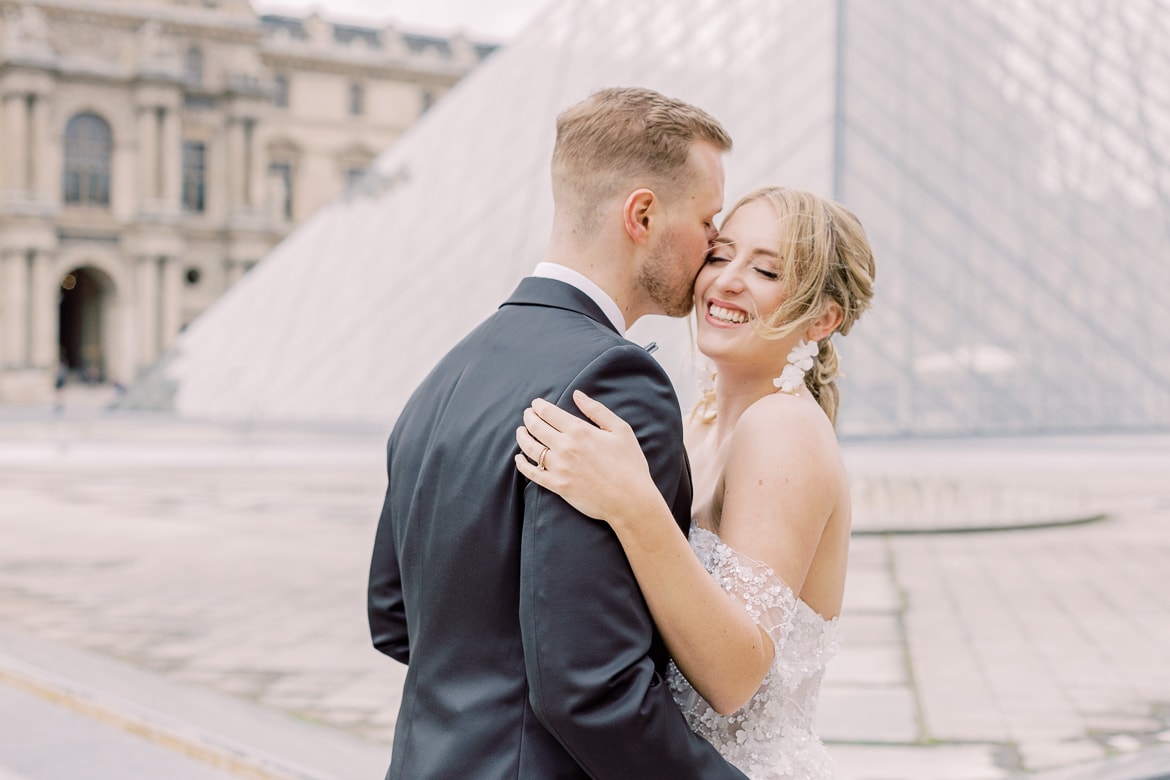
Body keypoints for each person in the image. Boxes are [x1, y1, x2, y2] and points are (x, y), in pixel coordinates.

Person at [367, 87, 747, 779]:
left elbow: (395, 618)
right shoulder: (611, 379)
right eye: (708, 219)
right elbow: (590, 691)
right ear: (642, 214)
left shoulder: (447, 374)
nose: (714, 246)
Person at [515, 186, 877, 779]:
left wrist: (632, 503)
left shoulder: (781, 427)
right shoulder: (698, 421)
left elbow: (733, 677)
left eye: (764, 270)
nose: (727, 281)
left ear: (822, 319)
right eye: (720, 254)